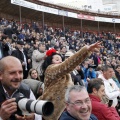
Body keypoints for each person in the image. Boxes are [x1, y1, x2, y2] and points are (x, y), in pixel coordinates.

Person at [38, 42, 102, 120]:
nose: (61, 61)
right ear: (50, 62)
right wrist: (86, 50)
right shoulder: (50, 69)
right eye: (57, 59)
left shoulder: (65, 73)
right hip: (53, 112)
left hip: (67, 109)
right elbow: (67, 65)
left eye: (61, 59)